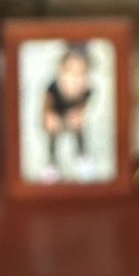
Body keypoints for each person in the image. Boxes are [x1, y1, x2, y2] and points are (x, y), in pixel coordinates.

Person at [41, 43, 94, 180]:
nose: (75, 79)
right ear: (61, 72)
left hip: (72, 116)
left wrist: (79, 113)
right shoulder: (53, 87)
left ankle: (81, 156)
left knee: (79, 130)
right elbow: (47, 104)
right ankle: (52, 163)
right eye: (70, 73)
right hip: (56, 114)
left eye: (81, 74)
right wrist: (49, 115)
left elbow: (85, 102)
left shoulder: (86, 90)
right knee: (53, 135)